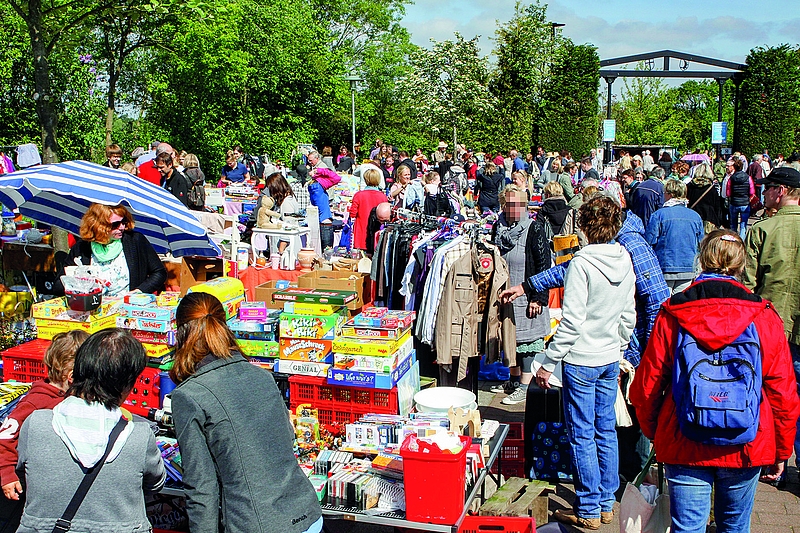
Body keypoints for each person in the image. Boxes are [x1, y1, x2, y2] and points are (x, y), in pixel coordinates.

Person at [632, 229, 800, 532]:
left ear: (701, 259)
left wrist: (655, 431)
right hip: (747, 440)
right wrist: (781, 448)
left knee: (687, 527)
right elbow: (782, 389)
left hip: (684, 437)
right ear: (742, 265)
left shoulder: (674, 312)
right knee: (735, 526)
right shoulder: (762, 315)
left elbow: (647, 386)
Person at [503, 196, 636, 529]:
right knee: (605, 430)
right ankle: (606, 502)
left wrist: (548, 362)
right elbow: (628, 315)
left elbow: (572, 321)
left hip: (582, 360)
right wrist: (619, 348)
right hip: (609, 357)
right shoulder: (624, 258)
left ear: (586, 226)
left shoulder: (582, 263)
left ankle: (589, 507)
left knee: (582, 435)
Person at [170, 293, 322, 533]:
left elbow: (201, 487)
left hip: (257, 523)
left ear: (180, 334)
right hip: (306, 513)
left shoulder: (189, 396)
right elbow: (286, 439)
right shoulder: (262, 376)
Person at [15, 328, 166, 532]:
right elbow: (155, 484)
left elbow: (24, 471)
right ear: (127, 386)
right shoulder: (139, 436)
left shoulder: (36, 424)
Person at [744, 166, 800, 481]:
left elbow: (747, 287)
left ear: (781, 191)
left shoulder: (762, 229)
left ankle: (772, 458)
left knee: (770, 394)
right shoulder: (763, 227)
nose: (763, 194)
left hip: (769, 329)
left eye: (767, 189)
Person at [0, 331, 89, 502]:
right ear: (71, 376)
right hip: (30, 478)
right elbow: (5, 436)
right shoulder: (36, 402)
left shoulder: (72, 396)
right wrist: (7, 473)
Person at [490, 185, 550, 405]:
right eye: (510, 204)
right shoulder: (498, 227)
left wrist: (538, 297)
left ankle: (525, 386)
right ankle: (514, 381)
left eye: (519, 204)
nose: (515, 208)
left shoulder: (534, 228)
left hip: (527, 294)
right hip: (505, 293)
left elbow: (544, 265)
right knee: (510, 339)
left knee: (526, 341)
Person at [54, 203, 167, 296]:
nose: (122, 227)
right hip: (94, 310)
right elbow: (58, 285)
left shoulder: (135, 240)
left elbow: (159, 273)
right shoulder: (82, 247)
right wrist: (84, 282)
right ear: (99, 225)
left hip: (127, 309)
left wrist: (139, 291)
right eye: (115, 225)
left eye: (124, 222)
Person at [645, 180, 704, 294]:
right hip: (688, 266)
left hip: (665, 266)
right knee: (680, 302)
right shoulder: (695, 216)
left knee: (664, 301)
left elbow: (649, 241)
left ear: (670, 194)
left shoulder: (659, 215)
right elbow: (701, 244)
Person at [350, 169, 389, 251]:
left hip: (361, 232)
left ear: (366, 180)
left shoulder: (359, 195)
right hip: (376, 232)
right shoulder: (382, 196)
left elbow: (352, 213)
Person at [264, 173, 302, 254]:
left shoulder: (287, 202)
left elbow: (288, 226)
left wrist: (280, 251)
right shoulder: (287, 199)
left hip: (286, 250)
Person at [308, 166, 341, 250]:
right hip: (325, 222)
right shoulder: (319, 186)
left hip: (319, 221)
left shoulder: (313, 187)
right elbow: (336, 178)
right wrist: (320, 171)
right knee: (327, 252)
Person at [686, 163, 726, 231]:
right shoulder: (711, 188)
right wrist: (719, 222)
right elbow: (717, 207)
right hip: (709, 219)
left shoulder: (690, 186)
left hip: (693, 216)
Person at [726, 157, 753, 239]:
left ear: (734, 167)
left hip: (734, 203)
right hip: (745, 203)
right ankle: (741, 240)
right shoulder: (748, 178)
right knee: (743, 225)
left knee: (733, 225)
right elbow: (752, 191)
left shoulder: (731, 178)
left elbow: (728, 193)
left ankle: (733, 240)